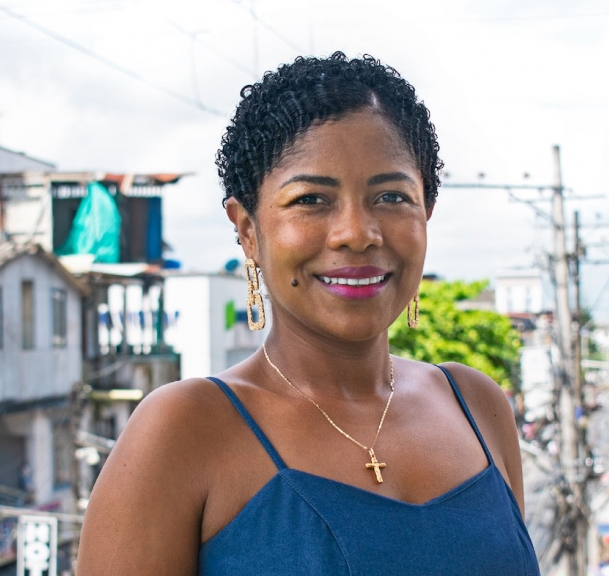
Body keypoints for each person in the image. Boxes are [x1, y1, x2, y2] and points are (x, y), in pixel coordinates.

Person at [77, 52, 540, 576]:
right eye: (312, 200)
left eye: (391, 196)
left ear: (426, 212)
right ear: (247, 228)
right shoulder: (183, 431)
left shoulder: (477, 406)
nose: (357, 233)